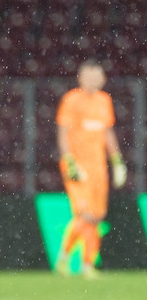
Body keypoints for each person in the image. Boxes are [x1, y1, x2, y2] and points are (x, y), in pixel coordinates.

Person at [55, 60, 126, 278]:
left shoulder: (104, 101)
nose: (94, 80)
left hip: (98, 167)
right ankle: (79, 263)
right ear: (80, 78)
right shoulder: (72, 100)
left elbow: (107, 132)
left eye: (97, 76)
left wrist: (117, 162)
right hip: (77, 165)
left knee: (96, 216)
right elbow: (63, 134)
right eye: (89, 76)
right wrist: (70, 161)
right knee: (85, 215)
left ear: (103, 79)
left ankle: (74, 262)